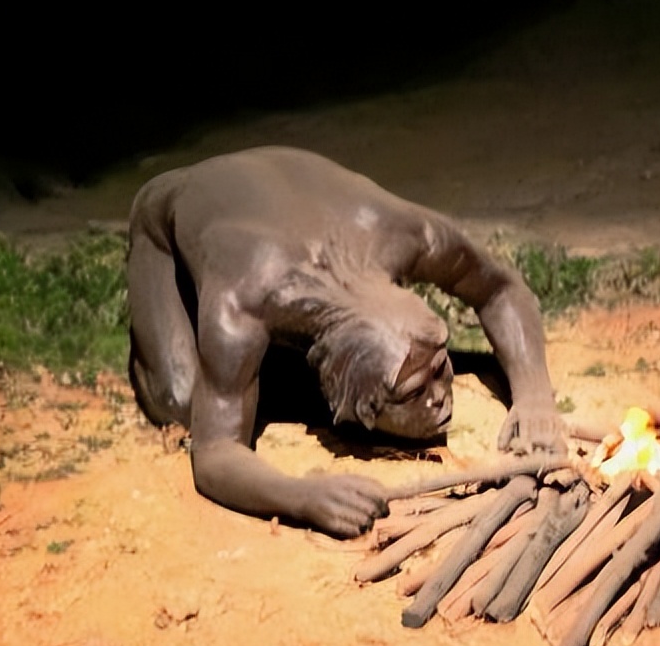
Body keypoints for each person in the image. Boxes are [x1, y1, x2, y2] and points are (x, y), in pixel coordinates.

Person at [127, 146, 566, 536]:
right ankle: (282, 375)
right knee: (180, 401)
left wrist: (533, 395)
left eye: (440, 367)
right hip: (173, 208)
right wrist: (301, 497)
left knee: (250, 385)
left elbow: (500, 289)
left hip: (293, 191)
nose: (440, 397)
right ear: (363, 404)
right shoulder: (244, 301)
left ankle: (292, 375)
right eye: (413, 392)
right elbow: (215, 453)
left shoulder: (408, 235)